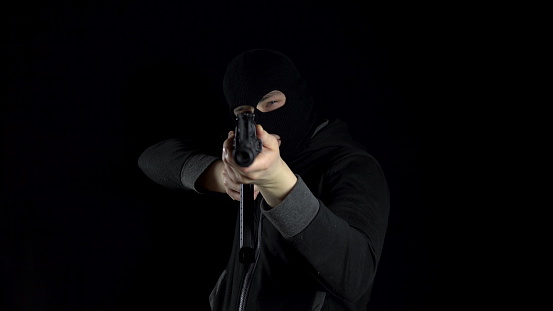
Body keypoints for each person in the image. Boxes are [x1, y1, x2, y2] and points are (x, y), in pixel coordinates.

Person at [137, 48, 390, 311]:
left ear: (296, 95)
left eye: (271, 103)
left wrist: (278, 183)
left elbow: (355, 276)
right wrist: (219, 174)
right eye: (245, 115)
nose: (262, 120)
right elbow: (151, 159)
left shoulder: (352, 166)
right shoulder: (243, 153)